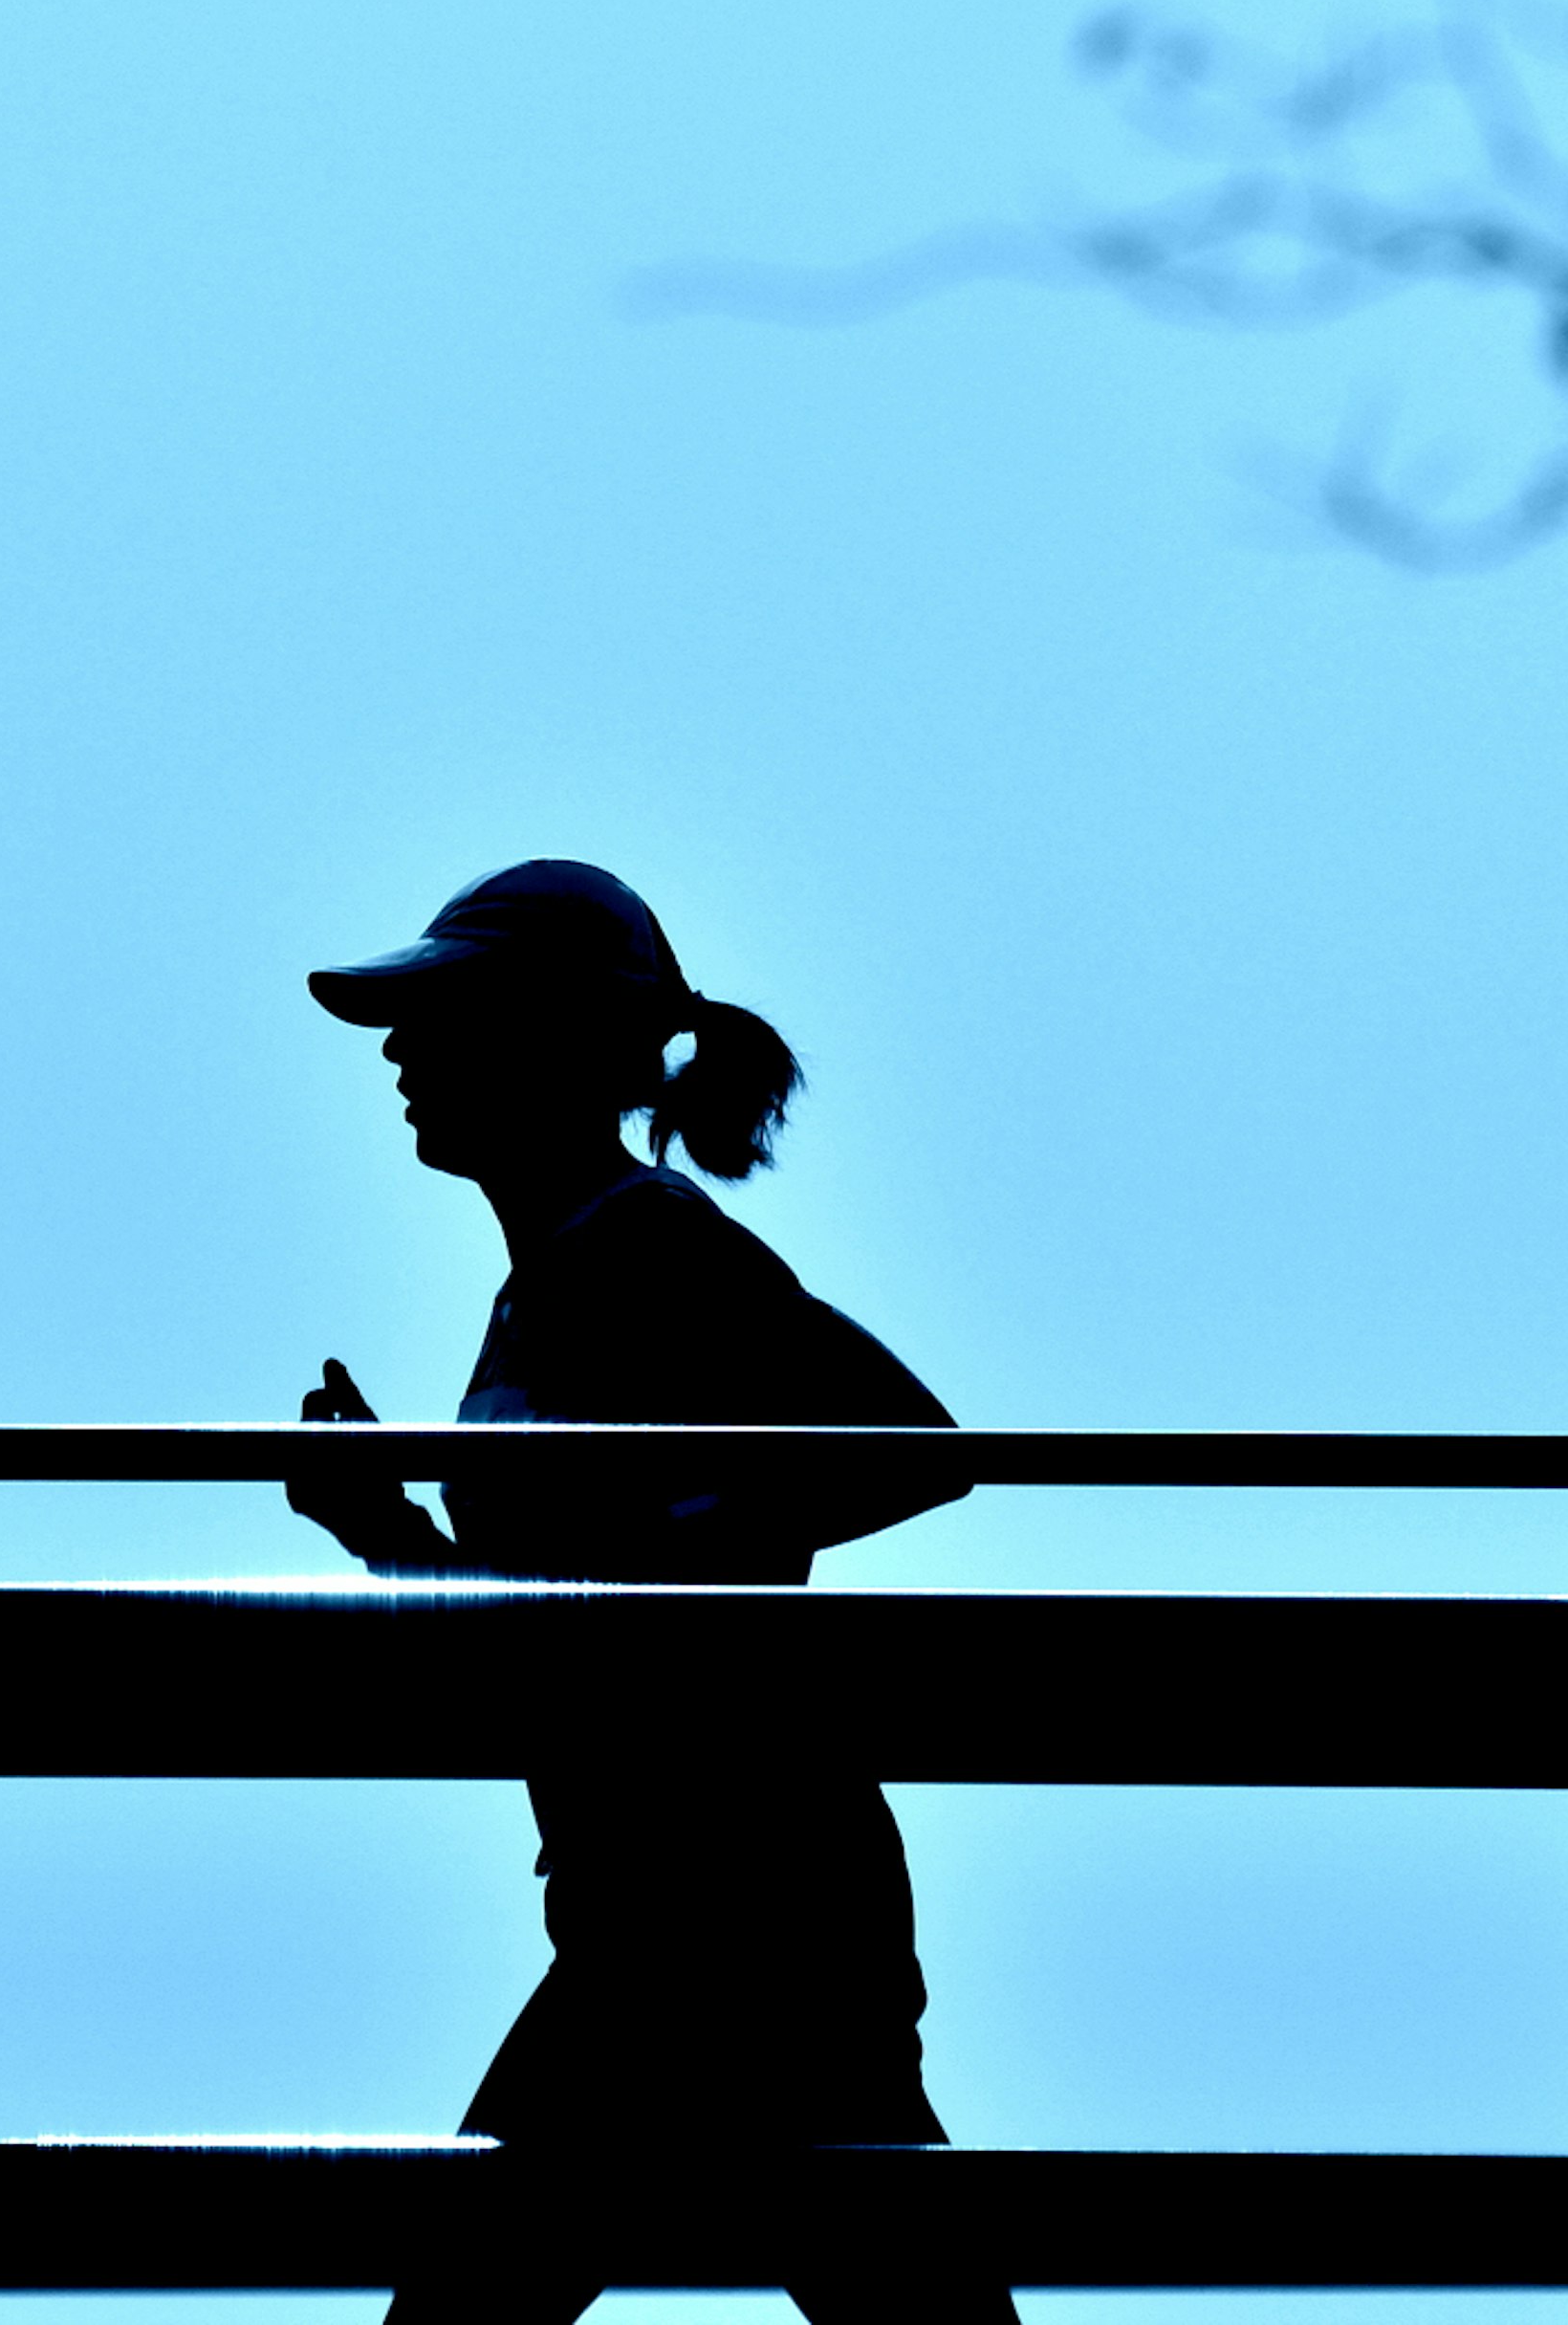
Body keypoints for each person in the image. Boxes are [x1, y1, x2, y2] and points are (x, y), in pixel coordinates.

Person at [290, 859, 1014, 2325]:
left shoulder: (651, 1244)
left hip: (722, 1924)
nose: (397, 1050)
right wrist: (392, 1530)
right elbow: (546, 1629)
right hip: (676, 1917)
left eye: (438, 1014)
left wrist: (682, 1539)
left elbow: (915, 1448)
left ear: (548, 1040)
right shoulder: (551, 1280)